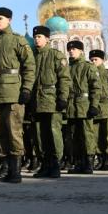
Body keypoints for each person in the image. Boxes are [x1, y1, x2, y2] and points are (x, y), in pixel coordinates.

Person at [0, 8, 36, 184]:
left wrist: (27, 89)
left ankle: (15, 171)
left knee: (14, 132)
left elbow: (29, 67)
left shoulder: (18, 41)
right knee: (1, 133)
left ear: (9, 20)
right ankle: (5, 167)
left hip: (13, 93)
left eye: (1, 18)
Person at [29, 26, 71, 179]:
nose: (37, 39)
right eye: (35, 37)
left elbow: (64, 79)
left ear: (47, 39)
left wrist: (62, 98)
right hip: (36, 100)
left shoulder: (55, 55)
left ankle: (55, 164)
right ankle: (44, 164)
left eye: (40, 36)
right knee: (39, 135)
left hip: (52, 100)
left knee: (53, 133)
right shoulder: (32, 57)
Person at [65, 40, 101, 174]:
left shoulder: (88, 67)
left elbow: (96, 88)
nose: (71, 51)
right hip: (71, 106)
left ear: (81, 51)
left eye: (74, 49)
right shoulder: (68, 67)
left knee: (87, 135)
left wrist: (94, 105)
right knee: (74, 136)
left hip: (84, 106)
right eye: (69, 49)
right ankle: (79, 163)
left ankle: (89, 163)